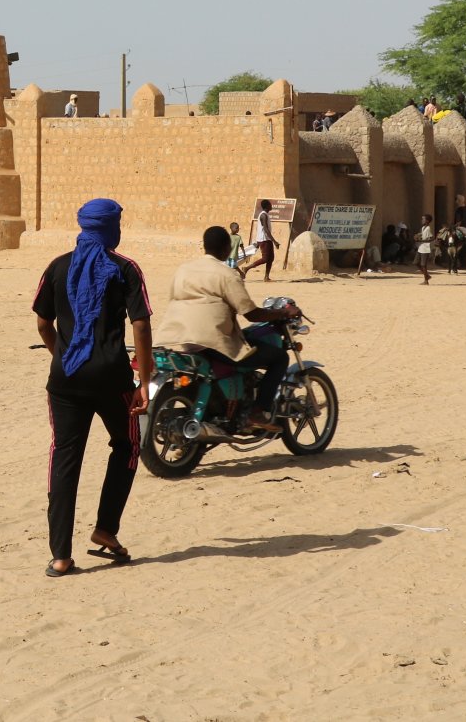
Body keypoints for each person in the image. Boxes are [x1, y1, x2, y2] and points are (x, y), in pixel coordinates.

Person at [33, 198, 152, 577]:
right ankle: (105, 528)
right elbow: (141, 324)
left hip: (65, 380)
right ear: (110, 228)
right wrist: (144, 381)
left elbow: (42, 324)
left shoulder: (57, 266)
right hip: (112, 378)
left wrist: (64, 355)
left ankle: (60, 557)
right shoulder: (125, 269)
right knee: (128, 445)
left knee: (64, 459)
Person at [156, 225, 300, 433]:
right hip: (211, 341)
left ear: (204, 246)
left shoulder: (183, 270)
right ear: (226, 249)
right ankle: (257, 412)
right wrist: (282, 313)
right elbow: (250, 313)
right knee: (279, 358)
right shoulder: (227, 273)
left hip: (173, 338)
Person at [238, 199, 280, 282]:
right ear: (267, 206)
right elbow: (265, 229)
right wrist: (274, 241)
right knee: (265, 259)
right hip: (264, 240)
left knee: (271, 258)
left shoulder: (265, 215)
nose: (271, 206)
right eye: (270, 205)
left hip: (266, 239)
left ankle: (266, 277)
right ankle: (246, 268)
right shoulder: (263, 215)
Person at [416, 214, 435, 284]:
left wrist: (421, 240)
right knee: (416, 262)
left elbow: (432, 238)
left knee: (423, 265)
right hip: (420, 247)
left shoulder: (428, 228)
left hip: (425, 248)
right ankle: (427, 275)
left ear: (427, 221)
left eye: (423, 219)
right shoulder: (423, 228)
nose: (422, 220)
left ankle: (426, 280)